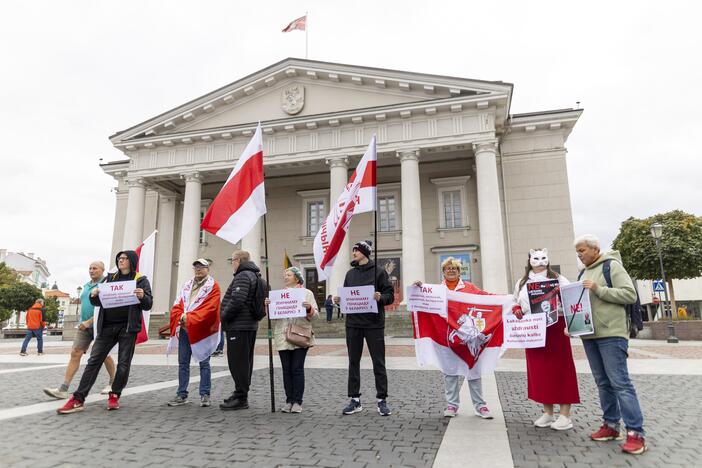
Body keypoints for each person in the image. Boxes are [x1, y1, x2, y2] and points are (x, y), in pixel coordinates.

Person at [415, 257, 515, 419]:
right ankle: (452, 405)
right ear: (443, 272)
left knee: (474, 370)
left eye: (454, 268)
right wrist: (418, 288)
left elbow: (487, 297)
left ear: (459, 271)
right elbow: (424, 300)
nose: (451, 271)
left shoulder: (469, 288)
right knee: (450, 371)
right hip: (446, 338)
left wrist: (507, 299)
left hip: (469, 338)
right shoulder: (437, 290)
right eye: (448, 268)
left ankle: (480, 406)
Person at [574, 234, 646, 455]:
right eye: (577, 252)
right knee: (603, 382)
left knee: (620, 383)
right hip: (590, 335)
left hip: (612, 334)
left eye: (582, 250)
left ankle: (635, 433)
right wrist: (574, 326)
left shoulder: (611, 266)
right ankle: (611, 426)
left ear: (595, 249)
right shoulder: (583, 272)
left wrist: (598, 289)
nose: (579, 254)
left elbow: (629, 294)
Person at [56, 250, 152, 414]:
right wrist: (94, 295)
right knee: (94, 361)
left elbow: (148, 304)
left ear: (132, 261)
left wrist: (142, 296)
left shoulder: (140, 280)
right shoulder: (110, 278)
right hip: (107, 326)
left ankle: (115, 394)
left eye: (124, 258)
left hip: (128, 328)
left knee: (123, 363)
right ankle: (78, 399)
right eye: (119, 258)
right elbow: (98, 301)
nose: (120, 261)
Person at [513, 249, 579, 430]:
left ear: (548, 259)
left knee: (561, 368)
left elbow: (573, 298)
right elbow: (515, 300)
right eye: (536, 258)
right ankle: (548, 412)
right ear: (530, 260)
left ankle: (565, 415)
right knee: (540, 370)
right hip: (533, 329)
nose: (540, 261)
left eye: (543, 258)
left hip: (556, 327)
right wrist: (516, 309)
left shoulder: (559, 278)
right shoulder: (522, 282)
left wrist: (560, 293)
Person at [335, 240, 394, 416]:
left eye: (357, 250)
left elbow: (389, 295)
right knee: (353, 362)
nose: (353, 253)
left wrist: (380, 297)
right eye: (353, 250)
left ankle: (381, 400)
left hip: (374, 324)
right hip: (353, 324)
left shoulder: (380, 272)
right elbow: (347, 296)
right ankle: (355, 399)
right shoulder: (350, 274)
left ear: (365, 253)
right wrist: (340, 301)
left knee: (379, 362)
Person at [43, 262, 115, 399]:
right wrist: (83, 321)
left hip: (100, 325)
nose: (91, 270)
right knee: (75, 353)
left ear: (102, 270)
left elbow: (107, 307)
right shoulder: (87, 285)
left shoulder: (106, 284)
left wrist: (90, 321)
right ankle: (63, 389)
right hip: (84, 326)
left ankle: (113, 382)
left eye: (95, 268)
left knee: (104, 355)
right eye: (90, 268)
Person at [167, 259, 221, 408]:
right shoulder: (186, 285)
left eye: (201, 267)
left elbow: (211, 308)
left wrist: (188, 317)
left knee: (204, 362)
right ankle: (182, 394)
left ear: (208, 269)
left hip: (202, 331)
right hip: (185, 329)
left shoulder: (213, 286)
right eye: (196, 267)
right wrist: (181, 316)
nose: (198, 269)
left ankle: (205, 394)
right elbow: (177, 304)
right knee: (183, 362)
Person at [265, 267, 318, 413]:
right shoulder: (279, 295)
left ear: (297, 277)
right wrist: (269, 307)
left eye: (289, 275)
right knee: (286, 370)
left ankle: (297, 401)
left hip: (300, 335)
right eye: (284, 275)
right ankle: (289, 400)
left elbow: (315, 316)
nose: (285, 277)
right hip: (283, 336)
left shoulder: (307, 293)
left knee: (297, 369)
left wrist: (309, 309)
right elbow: (273, 317)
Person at [219, 250, 263, 411]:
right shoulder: (254, 275)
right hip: (248, 325)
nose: (232, 263)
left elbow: (237, 300)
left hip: (239, 325)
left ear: (237, 260)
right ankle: (239, 393)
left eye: (232, 260)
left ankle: (241, 397)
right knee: (244, 362)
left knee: (238, 363)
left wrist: (223, 316)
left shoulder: (243, 275)